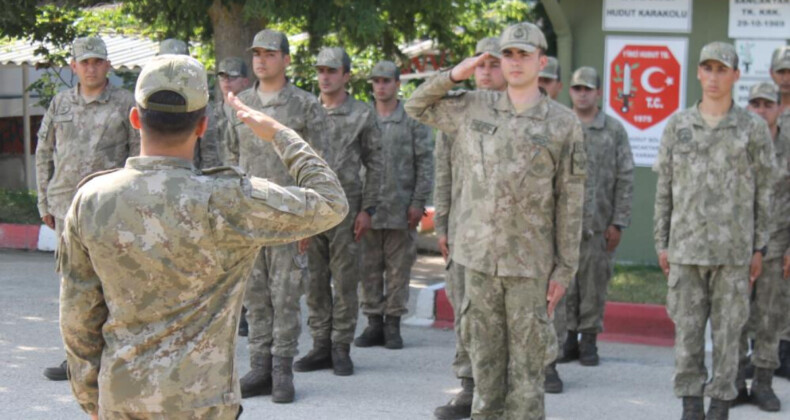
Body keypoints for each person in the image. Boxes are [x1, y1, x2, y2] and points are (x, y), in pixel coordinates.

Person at [59, 54, 348, 420]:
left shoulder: (92, 199)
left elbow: (77, 318)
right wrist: (278, 133)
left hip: (122, 396)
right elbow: (331, 202)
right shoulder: (229, 199)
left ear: (135, 119)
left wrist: (92, 398)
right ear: (202, 126)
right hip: (202, 402)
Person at [406, 22, 585, 419]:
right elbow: (415, 106)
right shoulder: (473, 106)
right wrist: (457, 73)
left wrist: (564, 268)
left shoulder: (562, 123)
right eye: (508, 54)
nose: (515, 62)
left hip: (530, 264)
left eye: (524, 54)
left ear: (542, 61)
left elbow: (570, 201)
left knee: (526, 376)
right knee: (485, 373)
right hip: (479, 261)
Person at [653, 42, 774, 420]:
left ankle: (720, 404)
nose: (714, 76)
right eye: (707, 68)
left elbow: (764, 192)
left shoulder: (752, 128)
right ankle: (691, 405)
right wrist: (662, 242)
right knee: (687, 335)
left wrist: (759, 247)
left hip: (733, 253)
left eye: (722, 69)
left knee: (728, 336)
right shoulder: (678, 125)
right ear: (699, 73)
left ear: (736, 76)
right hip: (686, 250)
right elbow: (664, 189)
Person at [224, 28, 330, 403]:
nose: (261, 59)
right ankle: (259, 367)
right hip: (250, 217)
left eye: (270, 53)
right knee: (255, 296)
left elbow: (318, 164)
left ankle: (283, 369)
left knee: (285, 295)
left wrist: (308, 218)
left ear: (285, 59)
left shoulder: (305, 105)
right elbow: (229, 160)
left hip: (288, 215)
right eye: (256, 53)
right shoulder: (238, 104)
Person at [36, 36, 140, 382]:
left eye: (97, 61)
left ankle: (114, 359)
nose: (91, 68)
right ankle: (78, 360)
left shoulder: (125, 103)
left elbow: (138, 154)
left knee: (113, 285)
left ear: (107, 65)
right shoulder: (60, 104)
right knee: (74, 288)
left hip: (109, 209)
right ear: (74, 67)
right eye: (85, 62)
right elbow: (43, 152)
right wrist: (43, 200)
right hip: (66, 208)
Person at [432, 36, 509, 420]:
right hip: (464, 231)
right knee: (464, 308)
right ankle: (468, 386)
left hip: (510, 237)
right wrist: (442, 223)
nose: (487, 72)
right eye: (481, 65)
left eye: (494, 64)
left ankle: (499, 389)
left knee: (500, 316)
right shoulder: (458, 109)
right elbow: (444, 171)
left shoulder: (524, 109)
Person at [294, 47, 383, 376]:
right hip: (313, 209)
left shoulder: (362, 113)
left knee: (345, 281)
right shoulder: (306, 112)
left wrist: (368, 209)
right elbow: (294, 163)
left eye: (332, 71)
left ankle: (341, 346)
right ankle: (320, 345)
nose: (325, 77)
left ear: (346, 75)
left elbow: (375, 163)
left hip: (347, 209)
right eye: (320, 70)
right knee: (314, 280)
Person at [354, 60, 433, 350]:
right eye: (376, 81)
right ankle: (373, 322)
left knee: (399, 269)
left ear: (398, 84)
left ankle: (393, 325)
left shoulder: (412, 118)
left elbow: (425, 161)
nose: (381, 86)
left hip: (401, 208)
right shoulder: (362, 117)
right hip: (369, 209)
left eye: (387, 81)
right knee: (368, 268)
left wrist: (418, 202)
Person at [562, 66, 634, 366]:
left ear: (599, 93)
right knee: (565, 283)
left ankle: (589, 340)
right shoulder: (562, 125)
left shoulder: (613, 130)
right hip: (565, 225)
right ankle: (566, 338)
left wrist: (618, 222)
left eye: (588, 89)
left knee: (594, 283)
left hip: (599, 225)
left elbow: (625, 177)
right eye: (577, 88)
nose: (582, 94)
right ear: (571, 92)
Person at [732, 82, 789, 412]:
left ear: (779, 108)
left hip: (777, 243)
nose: (760, 109)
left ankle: (764, 383)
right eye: (754, 103)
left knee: (770, 316)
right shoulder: (736, 143)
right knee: (735, 315)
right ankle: (737, 382)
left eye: (768, 104)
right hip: (738, 243)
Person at [215, 55, 253, 337]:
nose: (226, 82)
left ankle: (249, 311)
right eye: (222, 77)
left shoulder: (253, 111)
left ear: (245, 81)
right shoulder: (207, 111)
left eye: (232, 77)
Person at [156, 38, 222, 169]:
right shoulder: (147, 100)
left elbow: (210, 153)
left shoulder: (200, 103)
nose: (172, 70)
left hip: (189, 181)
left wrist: (205, 185)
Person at [769, 45, 790, 379]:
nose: (787, 78)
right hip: (762, 222)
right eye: (782, 71)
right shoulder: (762, 113)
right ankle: (763, 353)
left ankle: (784, 349)